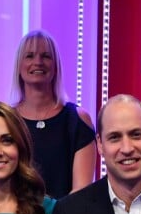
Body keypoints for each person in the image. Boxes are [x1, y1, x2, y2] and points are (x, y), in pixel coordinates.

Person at [11, 29, 96, 199]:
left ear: (56, 66)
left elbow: (80, 192)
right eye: (29, 56)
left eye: (46, 56)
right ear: (19, 66)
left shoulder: (78, 120)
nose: (38, 62)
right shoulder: (5, 121)